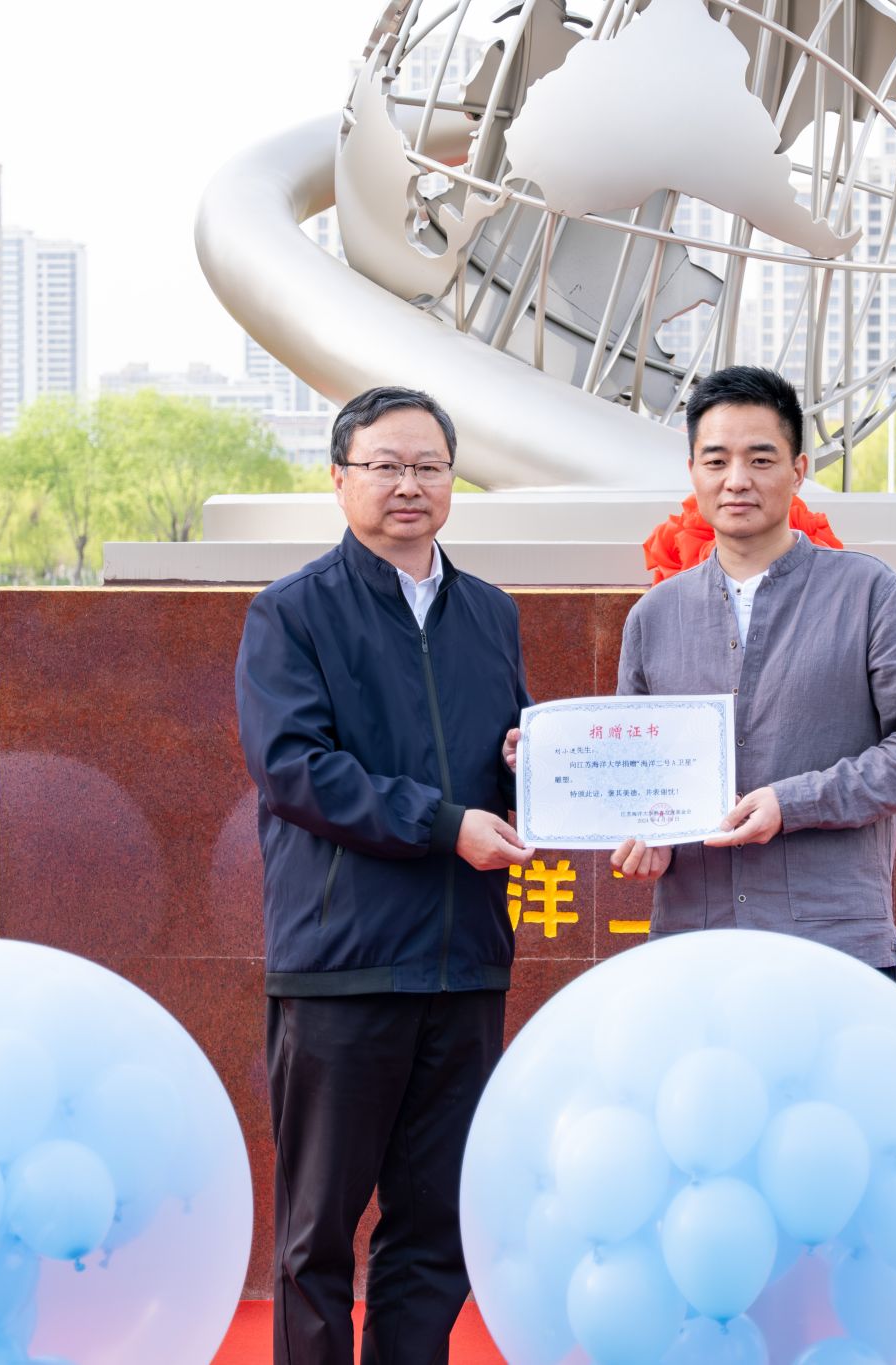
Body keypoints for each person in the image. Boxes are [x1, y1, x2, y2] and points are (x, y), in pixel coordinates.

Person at [234, 385, 533, 1365]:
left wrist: (531, 771)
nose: (409, 485)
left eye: (429, 467)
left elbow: (503, 759)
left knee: (432, 1232)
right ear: (339, 479)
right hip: (344, 966)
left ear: (452, 480)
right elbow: (295, 769)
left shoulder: (489, 613)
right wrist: (446, 826)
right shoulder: (291, 613)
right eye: (385, 466)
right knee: (317, 1235)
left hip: (464, 964)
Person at [608, 366, 896, 979]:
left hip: (835, 950)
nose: (737, 479)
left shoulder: (868, 592)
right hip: (696, 950)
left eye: (760, 459)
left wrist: (792, 802)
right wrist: (647, 836)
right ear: (693, 471)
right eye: (716, 461)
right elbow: (638, 773)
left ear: (798, 471)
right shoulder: (654, 617)